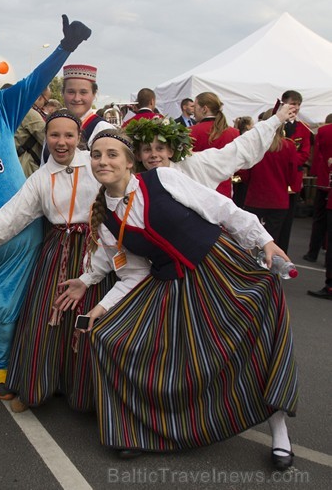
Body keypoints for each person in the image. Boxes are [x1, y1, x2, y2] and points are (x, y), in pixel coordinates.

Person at [58, 129, 298, 469]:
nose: (103, 161)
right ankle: (139, 431)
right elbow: (134, 272)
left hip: (221, 270)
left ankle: (279, 432)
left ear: (130, 161)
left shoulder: (163, 179)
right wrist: (98, 304)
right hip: (173, 287)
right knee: (116, 340)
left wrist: (264, 240)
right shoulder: (107, 220)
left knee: (254, 347)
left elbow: (222, 209)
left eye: (112, 154)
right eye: (96, 155)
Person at [0, 110, 108, 413]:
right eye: (54, 135)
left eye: (69, 135)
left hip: (96, 254)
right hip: (58, 254)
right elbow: (8, 219)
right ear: (46, 137)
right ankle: (38, 386)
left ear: (79, 137)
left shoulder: (96, 167)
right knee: (45, 319)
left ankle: (87, 394)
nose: (61, 142)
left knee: (91, 321)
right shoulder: (40, 179)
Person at [125, 103, 296, 191]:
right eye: (147, 150)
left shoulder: (193, 165)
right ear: (138, 155)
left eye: (160, 148)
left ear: (170, 150)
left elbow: (238, 150)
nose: (154, 155)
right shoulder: (133, 182)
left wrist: (276, 119)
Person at [240, 110, 298, 242]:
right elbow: (292, 176)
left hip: (255, 197)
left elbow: (245, 173)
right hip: (278, 199)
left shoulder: (256, 145)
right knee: (272, 239)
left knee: (249, 237)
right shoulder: (289, 146)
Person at [278, 90, 312, 252]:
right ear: (284, 104)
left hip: (292, 180)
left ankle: (282, 252)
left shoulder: (303, 129)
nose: (296, 107)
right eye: (293, 104)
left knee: (286, 221)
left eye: (298, 104)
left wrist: (289, 162)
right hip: (275, 177)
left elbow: (304, 154)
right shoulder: (275, 123)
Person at [190, 92, 240, 197]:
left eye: (195, 106)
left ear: (204, 109)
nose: (193, 111)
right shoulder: (234, 132)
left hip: (199, 190)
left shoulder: (191, 132)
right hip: (224, 191)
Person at [59, 64, 111, 151]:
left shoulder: (102, 128)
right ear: (63, 93)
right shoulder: (55, 125)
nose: (76, 98)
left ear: (94, 94)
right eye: (71, 92)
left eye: (83, 92)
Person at [303, 113, 332, 264]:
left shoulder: (324, 131)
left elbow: (317, 154)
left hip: (323, 179)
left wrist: (315, 172)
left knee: (319, 219)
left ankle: (313, 252)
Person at [14, 86, 50, 177]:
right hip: (25, 168)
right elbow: (49, 139)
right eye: (45, 102)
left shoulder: (19, 108)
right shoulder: (31, 114)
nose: (43, 107)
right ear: (39, 97)